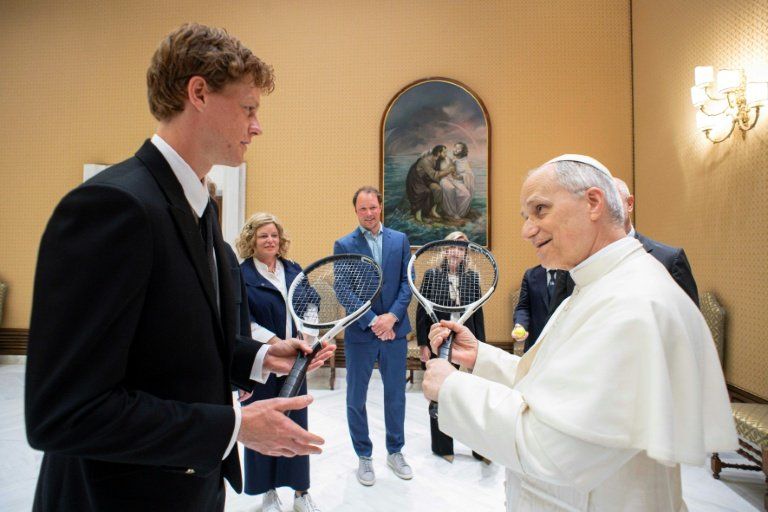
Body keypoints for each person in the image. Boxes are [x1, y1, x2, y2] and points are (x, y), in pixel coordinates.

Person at [25, 23, 334, 512]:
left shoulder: (200, 209)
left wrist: (258, 356)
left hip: (192, 489)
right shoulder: (112, 207)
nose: (257, 126)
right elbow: (64, 413)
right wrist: (234, 427)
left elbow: (170, 344)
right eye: (248, 108)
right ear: (199, 93)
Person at [422, 154, 736, 511]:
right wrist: (482, 356)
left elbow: (551, 451)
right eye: (526, 217)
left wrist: (452, 387)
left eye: (540, 210)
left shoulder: (633, 302)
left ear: (593, 203)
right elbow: (555, 385)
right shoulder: (599, 282)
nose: (527, 230)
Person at [235, 213, 319, 512]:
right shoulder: (241, 274)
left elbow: (311, 303)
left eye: (274, 235)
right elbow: (243, 319)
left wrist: (305, 338)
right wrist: (275, 345)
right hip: (261, 361)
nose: (270, 240)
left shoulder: (293, 269)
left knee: (296, 424)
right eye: (263, 236)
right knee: (261, 424)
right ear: (251, 240)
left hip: (296, 360)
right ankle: (268, 492)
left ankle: (301, 492)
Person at [333, 186, 414, 486]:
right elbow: (342, 289)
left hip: (395, 331)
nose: (368, 213)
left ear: (381, 207)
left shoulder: (400, 240)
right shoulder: (344, 244)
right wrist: (372, 321)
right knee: (356, 397)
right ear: (355, 211)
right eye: (362, 209)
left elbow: (408, 282)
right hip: (361, 334)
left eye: (372, 207)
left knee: (396, 395)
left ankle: (396, 452)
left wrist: (392, 317)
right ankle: (364, 456)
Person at [415, 231, 487, 464]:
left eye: (462, 248)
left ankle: (480, 449)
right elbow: (422, 311)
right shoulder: (432, 275)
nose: (457, 251)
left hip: (466, 342)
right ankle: (442, 447)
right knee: (440, 394)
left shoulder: (472, 277)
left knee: (472, 395)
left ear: (466, 253)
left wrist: (481, 346)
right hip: (440, 341)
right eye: (453, 246)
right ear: (445, 250)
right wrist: (423, 344)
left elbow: (477, 314)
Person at [613, 177, 700, 306]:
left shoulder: (670, 259)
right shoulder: (588, 261)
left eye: (613, 201)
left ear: (629, 204)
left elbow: (689, 316)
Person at [511, 264, 560, 352]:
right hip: (535, 342)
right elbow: (523, 307)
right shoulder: (530, 274)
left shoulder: (571, 273)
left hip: (562, 341)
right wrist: (520, 324)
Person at [405, 145, 453, 221]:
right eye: (444, 152)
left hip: (427, 179)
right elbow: (434, 175)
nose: (446, 154)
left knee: (438, 189)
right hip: (417, 181)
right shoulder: (426, 161)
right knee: (425, 192)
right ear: (438, 153)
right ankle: (418, 214)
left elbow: (436, 173)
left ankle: (432, 211)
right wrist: (448, 171)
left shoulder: (437, 160)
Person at [439, 142, 475, 220]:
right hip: (447, 178)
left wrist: (460, 176)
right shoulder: (450, 159)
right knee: (450, 189)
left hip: (458, 181)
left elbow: (469, 174)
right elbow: (444, 170)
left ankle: (459, 213)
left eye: (458, 149)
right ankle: (451, 212)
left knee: (466, 195)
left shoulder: (465, 161)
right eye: (455, 147)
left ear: (463, 151)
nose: (455, 150)